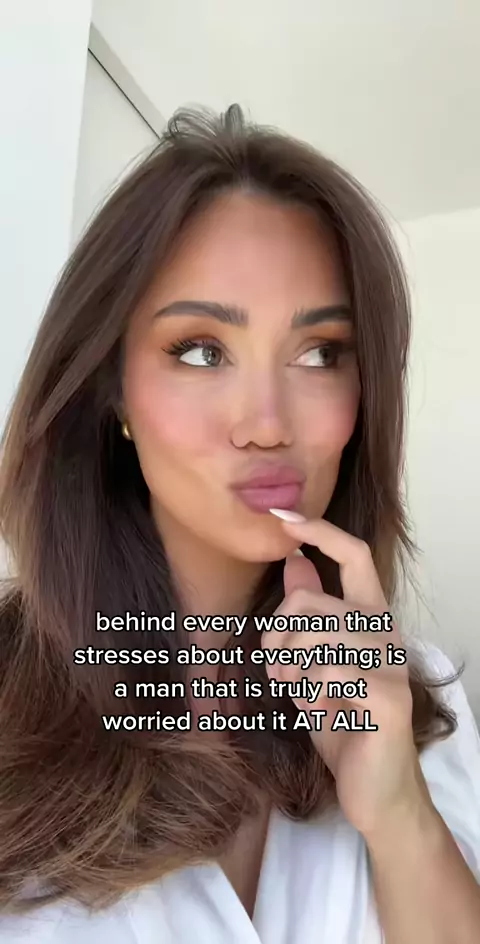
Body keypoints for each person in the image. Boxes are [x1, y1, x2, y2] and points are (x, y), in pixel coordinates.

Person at [0, 104, 479, 944]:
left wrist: (400, 813)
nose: (267, 424)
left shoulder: (413, 698)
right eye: (200, 350)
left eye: (320, 353)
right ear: (112, 392)